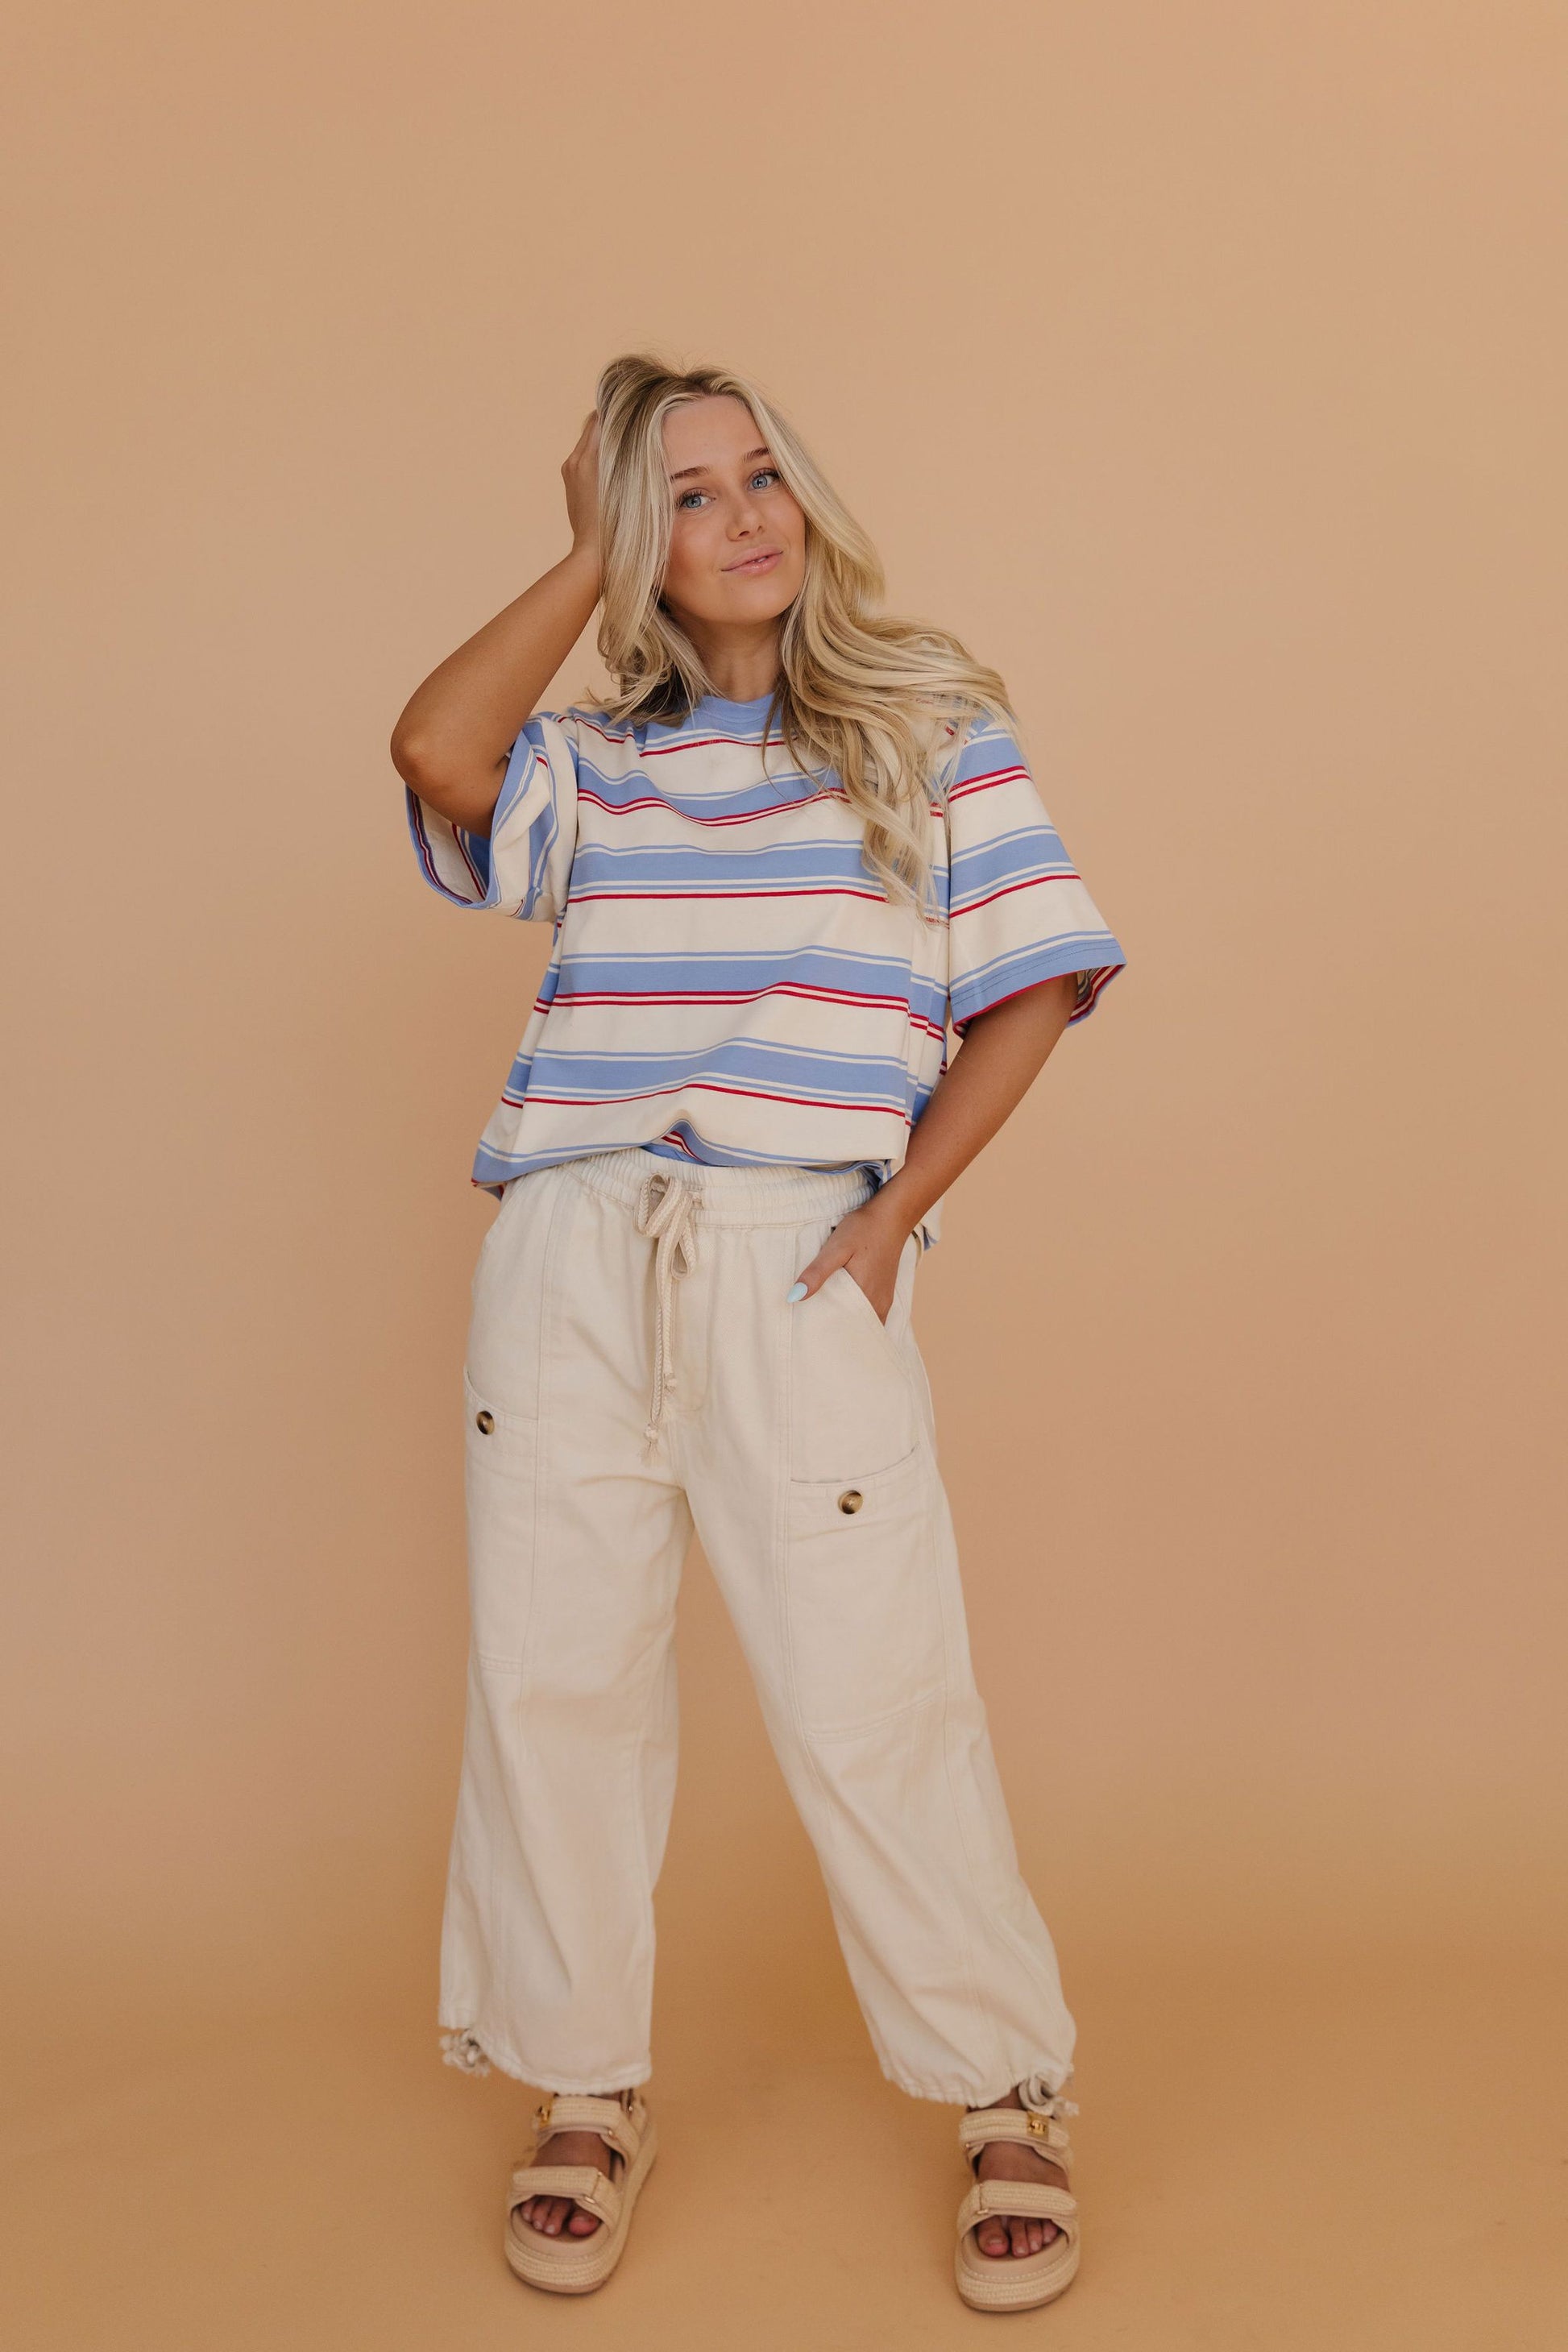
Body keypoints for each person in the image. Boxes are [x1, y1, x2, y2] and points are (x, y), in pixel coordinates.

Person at [389, 353, 1126, 2313]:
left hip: (793, 1252)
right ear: (642, 535)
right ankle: (585, 2081)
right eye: (689, 494)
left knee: (874, 1687)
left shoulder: (926, 725)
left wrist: (889, 1216)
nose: (743, 517)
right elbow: (437, 751)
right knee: (554, 1682)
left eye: (761, 474)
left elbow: (1031, 990)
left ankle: (1005, 2088)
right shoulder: (595, 762)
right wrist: (583, 550)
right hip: (568, 1253)